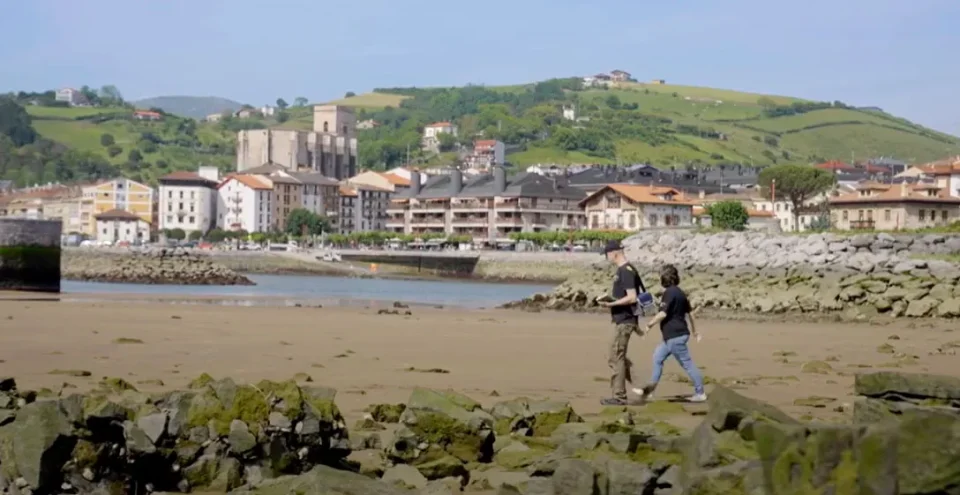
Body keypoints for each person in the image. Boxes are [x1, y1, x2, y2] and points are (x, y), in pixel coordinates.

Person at [633, 264, 707, 402]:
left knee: (687, 364)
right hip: (675, 336)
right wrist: (695, 332)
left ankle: (700, 393)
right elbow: (691, 313)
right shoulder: (680, 293)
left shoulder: (669, 293)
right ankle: (649, 391)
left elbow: (663, 314)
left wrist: (649, 325)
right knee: (658, 358)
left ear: (665, 278)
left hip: (675, 336)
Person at [596, 239, 646, 406]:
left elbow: (632, 297)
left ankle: (619, 396)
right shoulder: (627, 269)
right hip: (624, 319)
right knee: (619, 355)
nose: (606, 257)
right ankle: (640, 386)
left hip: (624, 320)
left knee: (615, 356)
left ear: (614, 253)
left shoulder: (625, 271)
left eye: (607, 254)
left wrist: (611, 304)